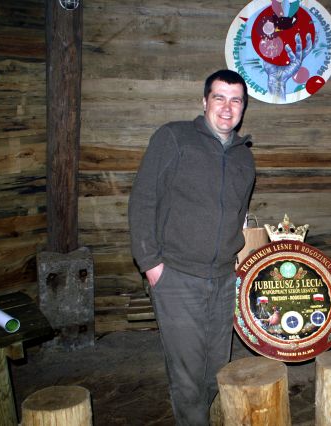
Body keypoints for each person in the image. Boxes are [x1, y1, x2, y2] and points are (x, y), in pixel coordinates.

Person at [128, 69, 255, 425]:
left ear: (243, 108)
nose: (227, 108)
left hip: (223, 278)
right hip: (177, 276)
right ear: (204, 101)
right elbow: (143, 200)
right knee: (187, 377)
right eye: (219, 98)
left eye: (236, 101)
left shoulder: (244, 157)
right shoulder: (173, 138)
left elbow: (239, 213)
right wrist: (151, 264)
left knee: (216, 368)